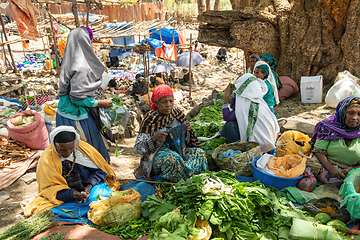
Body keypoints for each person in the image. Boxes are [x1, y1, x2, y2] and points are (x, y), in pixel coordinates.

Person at [24, 126, 119, 222]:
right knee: (47, 209)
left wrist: (88, 187)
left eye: (71, 148)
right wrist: (72, 194)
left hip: (90, 191)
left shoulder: (84, 150)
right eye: (63, 150)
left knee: (104, 197)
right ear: (54, 145)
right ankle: (86, 210)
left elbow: (100, 171)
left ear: (75, 143)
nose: (68, 153)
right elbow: (48, 189)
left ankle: (84, 209)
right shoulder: (47, 159)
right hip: (65, 197)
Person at [56, 27, 112, 162]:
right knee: (83, 151)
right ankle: (90, 177)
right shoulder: (81, 67)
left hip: (63, 113)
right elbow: (77, 98)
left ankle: (75, 176)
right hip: (75, 116)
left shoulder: (69, 61)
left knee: (69, 154)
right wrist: (99, 103)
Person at [134, 84, 208, 182]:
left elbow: (188, 141)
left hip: (180, 151)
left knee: (199, 153)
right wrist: (153, 139)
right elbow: (138, 148)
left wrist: (186, 132)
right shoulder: (150, 120)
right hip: (157, 155)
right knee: (172, 159)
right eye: (164, 102)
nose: (168, 105)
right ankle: (181, 184)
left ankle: (197, 180)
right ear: (156, 103)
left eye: (171, 101)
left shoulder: (177, 114)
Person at [220, 73, 279, 152]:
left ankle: (239, 147)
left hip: (258, 146)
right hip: (270, 140)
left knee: (229, 125)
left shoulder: (244, 107)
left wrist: (225, 98)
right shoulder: (259, 102)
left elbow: (226, 117)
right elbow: (234, 107)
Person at [307, 97, 360, 184]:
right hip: (329, 163)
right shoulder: (327, 127)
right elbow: (318, 151)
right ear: (342, 113)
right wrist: (331, 168)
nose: (355, 117)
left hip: (353, 168)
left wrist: (351, 170)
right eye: (350, 113)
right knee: (312, 167)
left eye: (359, 114)